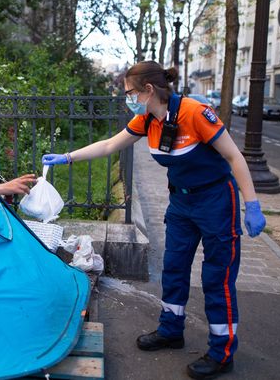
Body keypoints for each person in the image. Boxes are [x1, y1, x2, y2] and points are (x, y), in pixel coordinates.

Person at [42, 61, 266, 380]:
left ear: (149, 90)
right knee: (173, 269)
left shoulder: (194, 113)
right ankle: (171, 330)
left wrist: (252, 203)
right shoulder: (147, 119)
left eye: (130, 93)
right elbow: (109, 145)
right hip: (182, 203)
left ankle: (222, 351)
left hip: (216, 201)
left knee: (217, 278)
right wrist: (66, 157)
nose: (127, 99)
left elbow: (234, 156)